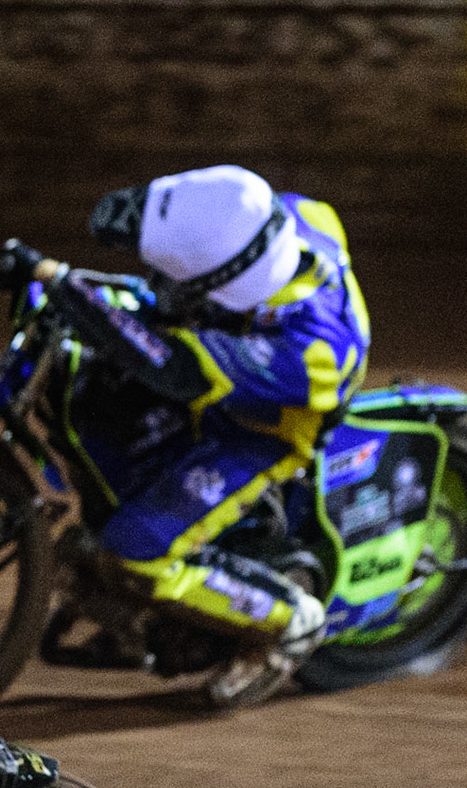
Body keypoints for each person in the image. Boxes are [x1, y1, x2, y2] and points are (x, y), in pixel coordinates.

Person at [47, 164, 372, 704]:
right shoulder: (285, 216)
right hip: (228, 360)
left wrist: (65, 287)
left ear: (234, 290)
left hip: (259, 430)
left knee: (137, 550)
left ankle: (289, 622)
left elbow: (176, 368)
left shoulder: (306, 352)